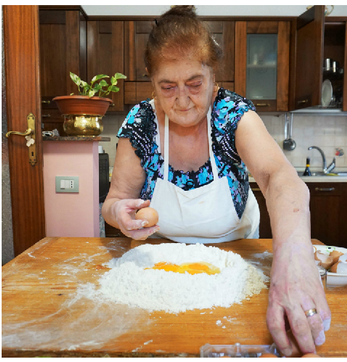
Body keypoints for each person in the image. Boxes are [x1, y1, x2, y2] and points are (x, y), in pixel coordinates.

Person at [101, 6, 328, 356]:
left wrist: (295, 256)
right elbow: (114, 200)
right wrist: (121, 214)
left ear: (213, 75)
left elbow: (279, 177)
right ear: (151, 79)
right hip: (158, 268)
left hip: (235, 260)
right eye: (168, 86)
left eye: (194, 84)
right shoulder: (141, 122)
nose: (182, 100)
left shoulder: (232, 114)